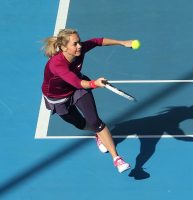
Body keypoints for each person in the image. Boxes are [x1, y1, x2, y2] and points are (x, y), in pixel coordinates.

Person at [41, 28, 132, 173]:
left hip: (78, 90)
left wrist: (122, 43)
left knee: (95, 122)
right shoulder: (57, 64)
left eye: (79, 42)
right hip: (58, 99)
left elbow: (98, 41)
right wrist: (95, 83)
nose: (80, 46)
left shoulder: (79, 50)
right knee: (80, 124)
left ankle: (117, 159)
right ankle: (97, 134)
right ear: (64, 47)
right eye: (75, 44)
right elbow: (76, 82)